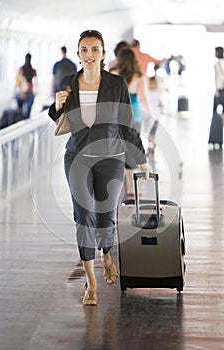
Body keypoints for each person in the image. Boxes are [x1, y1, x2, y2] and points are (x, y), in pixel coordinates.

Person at [48, 30, 151, 306]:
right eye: (84, 50)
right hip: (77, 157)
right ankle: (91, 282)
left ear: (103, 54)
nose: (89, 55)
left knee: (105, 213)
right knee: (83, 214)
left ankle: (107, 253)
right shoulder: (68, 82)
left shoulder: (116, 84)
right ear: (78, 54)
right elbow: (57, 116)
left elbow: (128, 123)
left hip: (111, 157)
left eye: (95, 50)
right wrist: (57, 106)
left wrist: (141, 159)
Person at [110, 47, 154, 196]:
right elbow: (143, 98)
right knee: (132, 148)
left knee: (115, 147)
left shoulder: (114, 74)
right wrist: (150, 115)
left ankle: (115, 183)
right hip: (134, 115)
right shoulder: (139, 77)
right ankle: (131, 187)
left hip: (115, 115)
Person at [15, 53, 37, 119]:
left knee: (19, 112)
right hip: (30, 92)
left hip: (21, 93)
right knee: (27, 114)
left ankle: (20, 123)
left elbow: (17, 81)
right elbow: (35, 82)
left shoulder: (21, 69)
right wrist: (35, 92)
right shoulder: (33, 70)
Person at [213, 46, 224, 114]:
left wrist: (216, 90)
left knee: (215, 110)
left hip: (220, 89)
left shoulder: (216, 64)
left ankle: (216, 124)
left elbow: (216, 77)